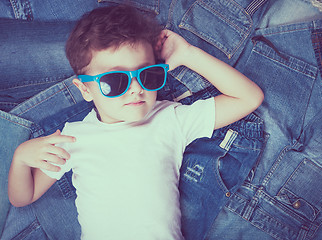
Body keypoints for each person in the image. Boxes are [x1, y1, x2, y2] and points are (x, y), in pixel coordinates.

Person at [7, 4, 263, 240]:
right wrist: (20, 158)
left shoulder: (171, 118)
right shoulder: (73, 138)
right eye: (115, 81)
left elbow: (249, 98)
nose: (135, 89)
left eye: (147, 75)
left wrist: (188, 54)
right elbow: (23, 197)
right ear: (85, 90)